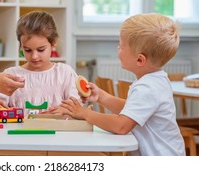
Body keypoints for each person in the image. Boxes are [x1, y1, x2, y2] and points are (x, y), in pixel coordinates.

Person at [59, 13, 185, 156]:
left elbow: (121, 125)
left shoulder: (147, 88)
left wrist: (86, 114)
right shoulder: (155, 80)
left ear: (139, 60)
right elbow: (131, 111)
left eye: (121, 46)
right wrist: (101, 96)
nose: (118, 49)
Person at [0, 10, 81, 115]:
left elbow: (77, 110)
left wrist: (66, 110)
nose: (34, 56)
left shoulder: (64, 73)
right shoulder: (11, 75)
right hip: (18, 131)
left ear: (53, 43)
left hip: (57, 131)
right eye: (27, 50)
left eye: (40, 50)